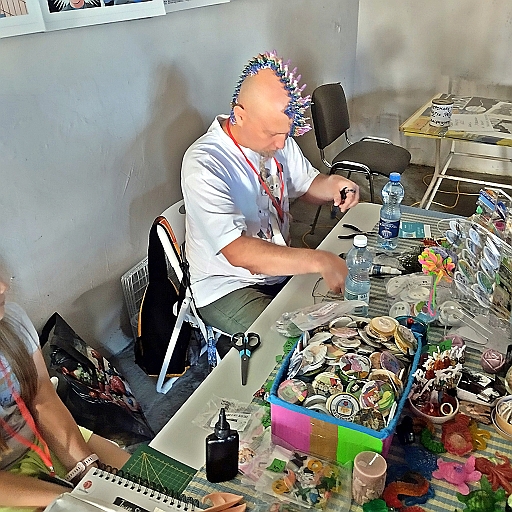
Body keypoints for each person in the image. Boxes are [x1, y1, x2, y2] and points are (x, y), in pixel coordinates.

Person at [181, 50, 360, 335]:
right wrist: (319, 259)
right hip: (227, 285)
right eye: (272, 134)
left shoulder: (278, 136)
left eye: (285, 134)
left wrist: (335, 184)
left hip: (276, 270)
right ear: (239, 116)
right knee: (296, 343)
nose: (280, 144)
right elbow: (239, 252)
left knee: (345, 319)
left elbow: (308, 184)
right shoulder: (204, 164)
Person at [0, 277, 130, 512]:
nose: (3, 286)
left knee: (151, 484)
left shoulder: (12, 320)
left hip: (41, 437)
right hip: (7, 483)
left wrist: (88, 472)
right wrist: (72, 498)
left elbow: (41, 395)